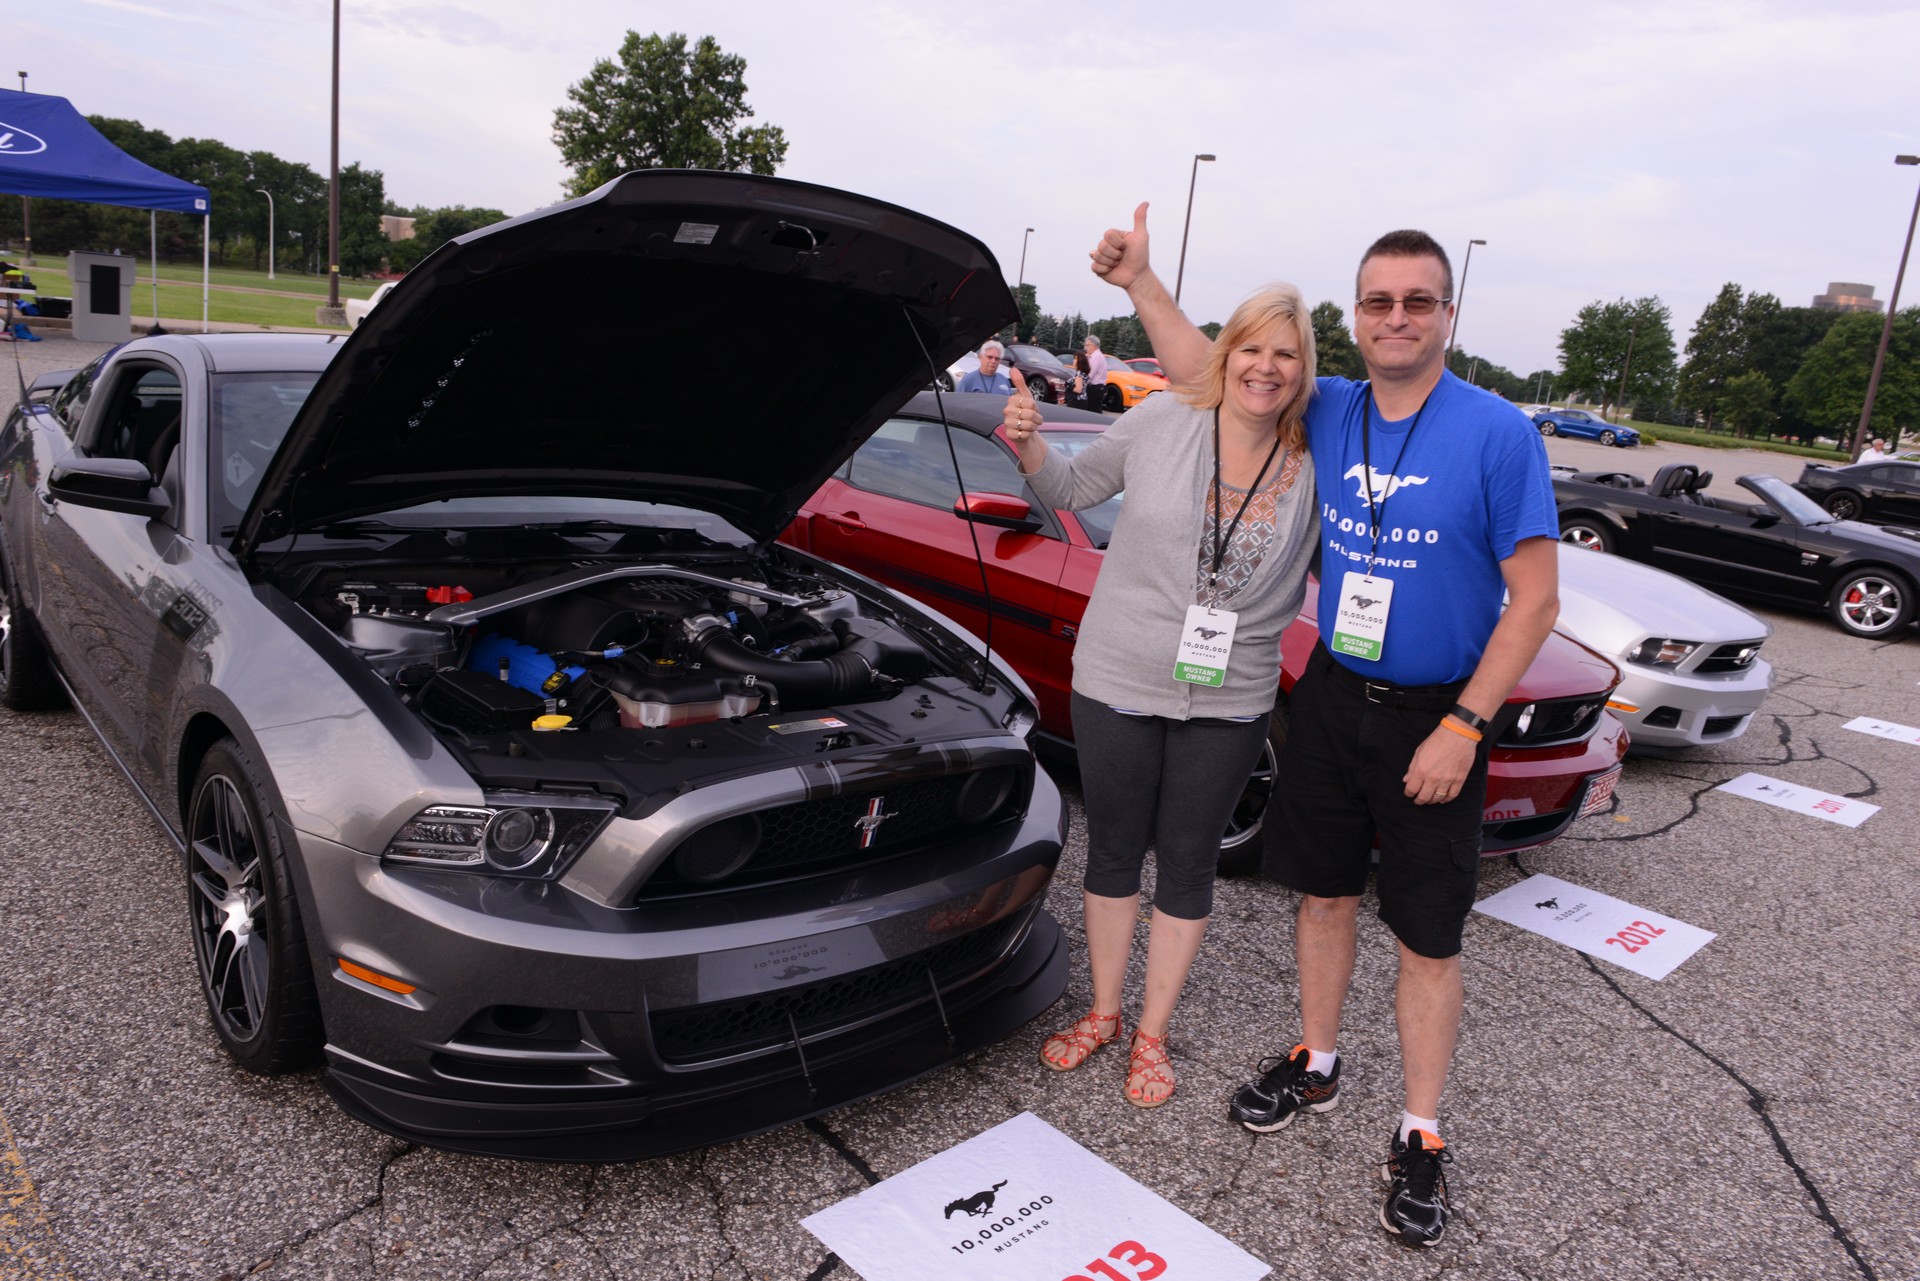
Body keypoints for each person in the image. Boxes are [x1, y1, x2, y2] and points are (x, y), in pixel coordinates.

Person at [1091, 204, 1559, 1246]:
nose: (1398, 317)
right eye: (1380, 301)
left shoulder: (1498, 432)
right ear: (1357, 315)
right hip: (1336, 697)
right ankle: (1318, 1063)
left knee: (1430, 935)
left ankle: (1422, 1130)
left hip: (1439, 716)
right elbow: (1214, 370)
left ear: (1447, 312)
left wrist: (1467, 727)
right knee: (1322, 898)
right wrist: (1142, 287)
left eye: (1418, 302)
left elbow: (1535, 601)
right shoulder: (1331, 404)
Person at [1000, 285, 1319, 1109]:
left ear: (1302, 368)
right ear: (1227, 353)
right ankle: (1105, 1012)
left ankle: (1152, 1032)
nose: (1266, 367)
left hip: (1233, 692)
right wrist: (1029, 447)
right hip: (1120, 674)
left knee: (1187, 862)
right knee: (1112, 850)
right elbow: (1069, 491)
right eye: (1251, 348)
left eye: (1285, 353)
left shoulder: (1314, 461)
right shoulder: (1164, 420)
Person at [1083, 335, 1110, 411]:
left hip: (1095, 388)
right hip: (1094, 388)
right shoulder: (1093, 356)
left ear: (1094, 345)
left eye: (1087, 345)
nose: (1085, 347)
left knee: (1093, 411)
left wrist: (1081, 384)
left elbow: (1090, 374)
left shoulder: (1097, 357)